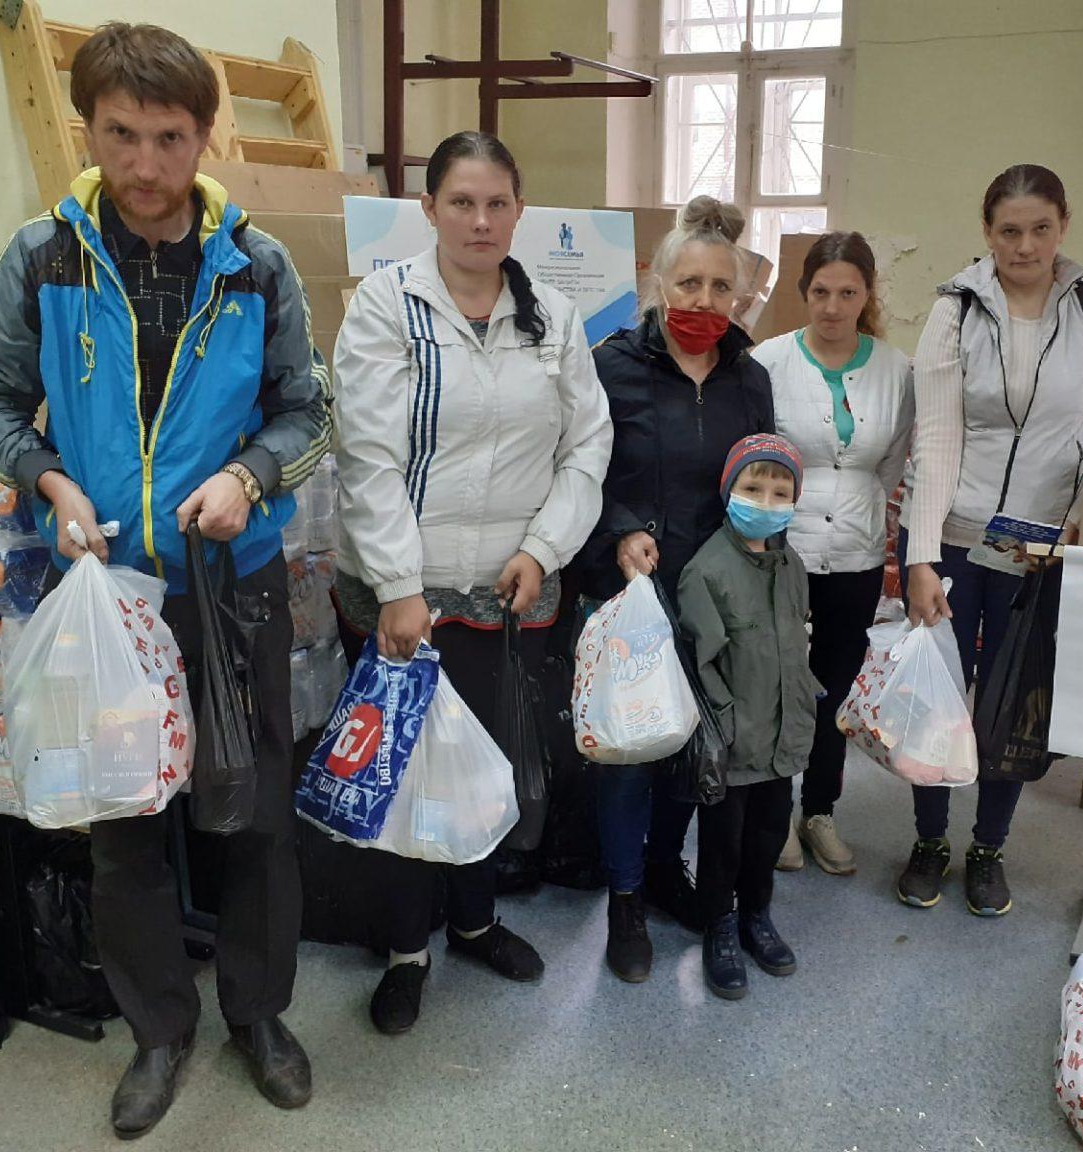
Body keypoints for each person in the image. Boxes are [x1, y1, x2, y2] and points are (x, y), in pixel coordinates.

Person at [0, 23, 330, 1137]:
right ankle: (158, 1032)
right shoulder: (42, 257)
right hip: (105, 591)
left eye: (170, 138)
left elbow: (308, 410)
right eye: (121, 135)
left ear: (205, 137)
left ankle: (258, 1014)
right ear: (88, 129)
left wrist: (250, 479)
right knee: (123, 825)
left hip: (233, 587)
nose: (147, 165)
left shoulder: (255, 264)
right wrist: (48, 483)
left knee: (256, 815)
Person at [332, 131, 612, 1036]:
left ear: (520, 211)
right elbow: (366, 457)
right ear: (428, 211)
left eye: (498, 204)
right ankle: (407, 949)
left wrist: (545, 547)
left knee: (484, 771)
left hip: (506, 593)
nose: (481, 221)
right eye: (461, 202)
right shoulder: (387, 304)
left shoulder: (553, 320)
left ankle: (478, 919)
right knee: (404, 776)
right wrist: (400, 584)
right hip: (402, 598)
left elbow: (587, 445)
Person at [899, 163, 1083, 916]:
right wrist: (921, 555)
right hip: (960, 544)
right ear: (987, 233)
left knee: (1010, 705)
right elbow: (935, 439)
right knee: (939, 700)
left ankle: (989, 848)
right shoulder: (956, 310)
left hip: (1042, 555)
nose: (1025, 245)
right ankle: (931, 839)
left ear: (1062, 228)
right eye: (1009, 230)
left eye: (1040, 228)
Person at [574, 197, 774, 983]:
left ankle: (663, 869)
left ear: (737, 295)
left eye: (719, 287)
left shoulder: (749, 379)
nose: (703, 301)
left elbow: (761, 475)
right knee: (630, 749)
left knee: (695, 743)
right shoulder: (609, 365)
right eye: (687, 283)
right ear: (657, 284)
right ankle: (624, 899)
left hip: (711, 595)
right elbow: (579, 467)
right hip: (627, 591)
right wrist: (622, 528)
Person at [752, 232, 914, 876]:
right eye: (820, 292)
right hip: (780, 550)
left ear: (867, 294)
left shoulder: (895, 370)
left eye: (848, 293)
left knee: (834, 687)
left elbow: (894, 461)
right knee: (777, 684)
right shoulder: (768, 362)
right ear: (804, 293)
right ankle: (772, 813)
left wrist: (869, 521)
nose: (832, 306)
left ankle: (818, 810)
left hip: (855, 552)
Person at [677, 434, 820, 1000]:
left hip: (784, 737)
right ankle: (720, 924)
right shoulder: (706, 572)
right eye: (752, 487)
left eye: (780, 491)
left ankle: (757, 915)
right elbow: (700, 664)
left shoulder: (792, 566)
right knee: (723, 845)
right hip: (734, 745)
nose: (765, 501)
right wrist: (728, 724)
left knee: (766, 839)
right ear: (728, 491)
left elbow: (797, 644)